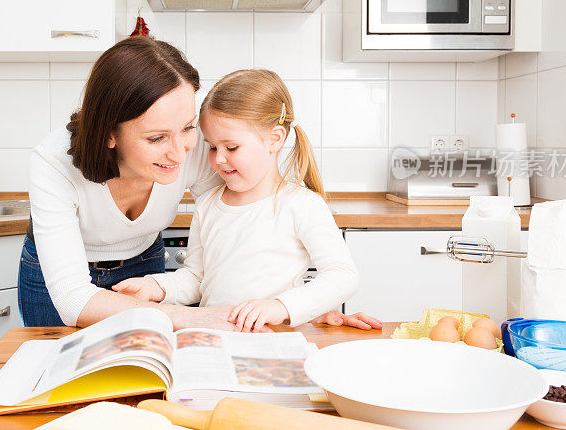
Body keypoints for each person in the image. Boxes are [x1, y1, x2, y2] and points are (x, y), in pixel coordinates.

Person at [112, 69, 382, 333]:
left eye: (231, 148)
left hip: (274, 340)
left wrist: (279, 307)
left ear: (274, 139)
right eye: (212, 147)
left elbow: (343, 276)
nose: (218, 159)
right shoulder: (208, 204)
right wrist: (155, 287)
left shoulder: (300, 205)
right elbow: (196, 279)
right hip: (215, 337)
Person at [19, 36, 232, 329]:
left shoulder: (195, 150)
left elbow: (231, 226)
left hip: (144, 267)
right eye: (156, 138)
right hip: (56, 280)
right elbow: (73, 301)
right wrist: (182, 315)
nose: (178, 151)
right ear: (109, 133)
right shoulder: (53, 162)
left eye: (188, 127)